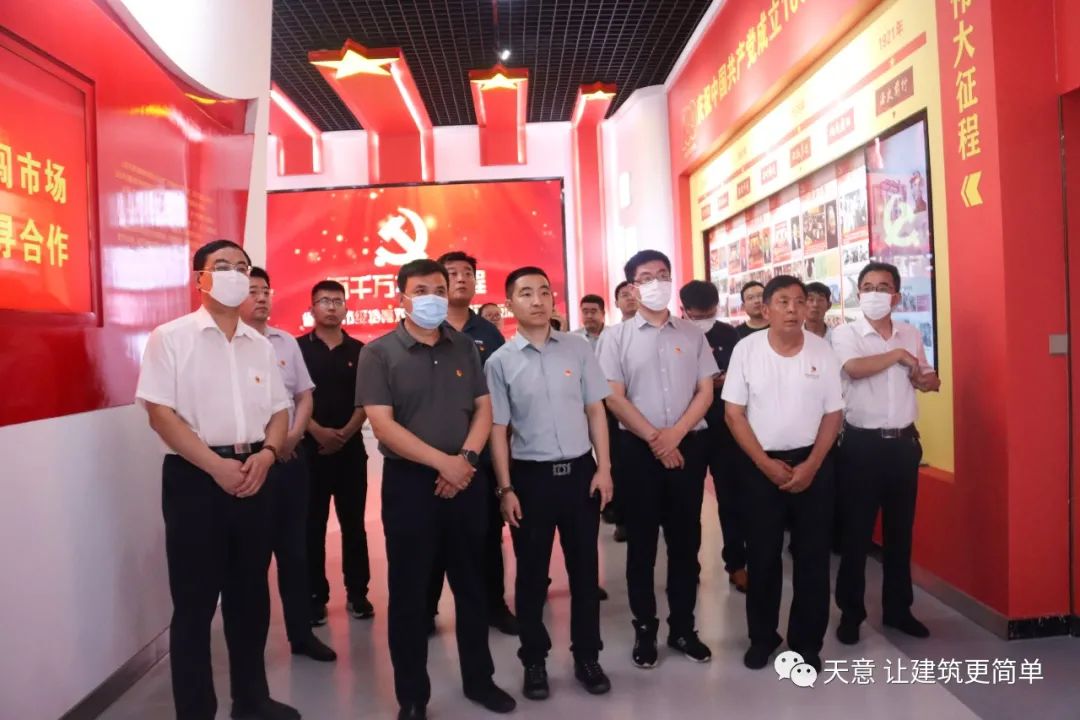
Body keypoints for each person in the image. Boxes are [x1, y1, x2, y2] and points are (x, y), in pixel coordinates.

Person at [136, 239, 299, 720]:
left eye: (242, 267)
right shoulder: (171, 337)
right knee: (195, 604)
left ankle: (251, 699)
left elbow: (279, 411)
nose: (235, 274)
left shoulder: (259, 344)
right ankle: (195, 711)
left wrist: (268, 454)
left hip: (255, 475)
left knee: (250, 596)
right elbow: (160, 415)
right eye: (222, 265)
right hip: (194, 481)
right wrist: (215, 466)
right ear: (200, 278)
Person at [357, 259, 515, 720]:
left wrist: (465, 460)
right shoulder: (378, 353)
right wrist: (443, 463)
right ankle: (412, 696)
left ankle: (480, 681)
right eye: (422, 290)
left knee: (472, 587)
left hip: (466, 480)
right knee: (409, 594)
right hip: (410, 486)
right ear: (402, 296)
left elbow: (484, 409)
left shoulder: (465, 346)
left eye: (439, 290)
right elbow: (382, 425)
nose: (433, 298)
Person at [487, 266, 614, 700]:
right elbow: (498, 429)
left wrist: (604, 468)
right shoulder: (500, 362)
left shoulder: (577, 349)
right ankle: (534, 660)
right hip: (531, 480)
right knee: (531, 577)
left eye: (544, 291)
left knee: (585, 573)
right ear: (510, 304)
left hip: (579, 475)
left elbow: (596, 410)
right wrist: (506, 488)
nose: (538, 300)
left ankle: (587, 656)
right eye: (526, 293)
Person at [597, 249, 718, 669]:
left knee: (686, 542)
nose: (656, 283)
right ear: (632, 287)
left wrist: (676, 435)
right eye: (646, 277)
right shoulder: (616, 338)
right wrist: (656, 439)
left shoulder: (692, 334)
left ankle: (684, 628)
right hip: (638, 451)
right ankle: (645, 629)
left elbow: (706, 390)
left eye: (663, 274)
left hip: (688, 446)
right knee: (642, 545)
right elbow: (613, 397)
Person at [722, 275, 844, 674]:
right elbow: (734, 414)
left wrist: (812, 465)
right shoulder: (746, 349)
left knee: (813, 558)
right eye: (783, 302)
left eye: (799, 301)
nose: (793, 309)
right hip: (761, 465)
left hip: (813, 464)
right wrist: (764, 464)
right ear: (766, 308)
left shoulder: (822, 350)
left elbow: (833, 413)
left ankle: (807, 643)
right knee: (762, 556)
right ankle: (763, 638)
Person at [832, 262, 940, 645]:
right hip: (861, 445)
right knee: (856, 534)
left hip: (903, 445)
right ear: (858, 293)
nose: (875, 293)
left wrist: (926, 379)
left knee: (900, 532)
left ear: (896, 296)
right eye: (867, 286)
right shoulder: (845, 333)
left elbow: (925, 375)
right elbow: (854, 369)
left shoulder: (909, 332)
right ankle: (851, 613)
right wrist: (897, 356)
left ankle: (898, 610)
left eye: (883, 287)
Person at [241, 269, 336, 663]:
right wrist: (269, 446)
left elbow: (304, 395)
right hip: (249, 464)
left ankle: (302, 634)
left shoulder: (285, 342)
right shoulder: (229, 344)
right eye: (253, 291)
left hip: (291, 460)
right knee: (252, 559)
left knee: (295, 552)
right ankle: (251, 645)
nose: (262, 298)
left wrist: (293, 437)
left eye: (266, 291)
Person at [432, 251, 517, 636]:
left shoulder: (489, 332)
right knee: (433, 538)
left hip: (481, 452)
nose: (462, 279)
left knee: (487, 533)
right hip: (435, 452)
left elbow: (500, 395)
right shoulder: (426, 328)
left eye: (468, 273)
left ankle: (494, 605)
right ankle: (426, 608)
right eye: (453, 273)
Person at [298, 281, 373, 625]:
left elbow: (368, 399)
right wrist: (316, 430)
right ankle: (315, 596)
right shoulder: (297, 349)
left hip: (350, 451)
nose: (331, 307)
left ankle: (358, 594)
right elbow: (291, 398)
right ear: (312, 308)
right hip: (309, 451)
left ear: (346, 307)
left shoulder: (361, 351)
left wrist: (345, 433)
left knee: (354, 525)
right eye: (324, 301)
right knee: (311, 526)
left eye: (337, 301)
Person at [679, 280, 747, 593]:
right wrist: (703, 382)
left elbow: (743, 374)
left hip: (725, 427)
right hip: (688, 429)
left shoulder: (730, 335)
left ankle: (736, 564)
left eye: (709, 313)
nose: (703, 319)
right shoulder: (675, 334)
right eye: (697, 315)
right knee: (687, 503)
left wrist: (724, 380)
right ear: (684, 310)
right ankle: (687, 567)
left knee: (732, 499)